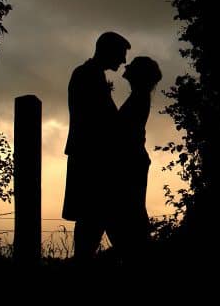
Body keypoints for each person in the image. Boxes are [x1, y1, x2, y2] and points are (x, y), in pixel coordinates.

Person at [62, 31, 130, 261]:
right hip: (92, 159)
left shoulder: (89, 74)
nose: (123, 61)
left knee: (94, 217)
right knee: (96, 215)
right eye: (121, 54)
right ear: (108, 51)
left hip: (91, 158)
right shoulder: (88, 75)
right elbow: (99, 120)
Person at [111, 56, 163, 263]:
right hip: (134, 160)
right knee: (132, 211)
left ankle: (137, 258)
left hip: (130, 161)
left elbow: (121, 130)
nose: (126, 69)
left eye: (131, 68)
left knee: (129, 212)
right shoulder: (139, 96)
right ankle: (137, 257)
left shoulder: (138, 97)